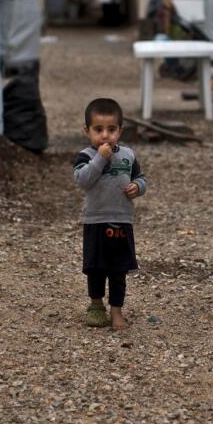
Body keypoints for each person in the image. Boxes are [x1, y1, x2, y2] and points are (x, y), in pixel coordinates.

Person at [72, 98, 147, 330]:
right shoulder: (86, 155)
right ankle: (96, 305)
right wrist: (100, 158)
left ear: (120, 131)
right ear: (87, 131)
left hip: (122, 220)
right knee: (95, 267)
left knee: (118, 269)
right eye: (98, 130)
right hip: (95, 221)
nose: (105, 135)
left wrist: (138, 187)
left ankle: (116, 311)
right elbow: (82, 180)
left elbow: (140, 177)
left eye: (111, 130)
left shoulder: (128, 155)